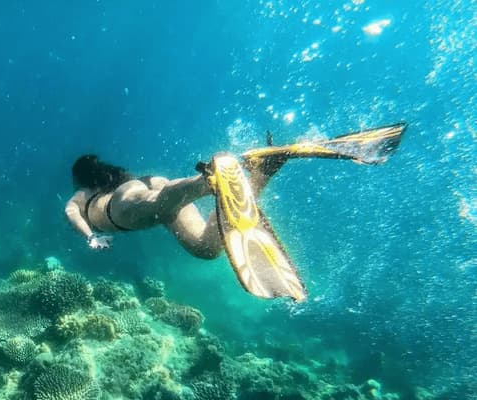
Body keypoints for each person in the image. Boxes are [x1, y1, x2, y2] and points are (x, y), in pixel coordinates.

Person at [65, 123, 407, 302]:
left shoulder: (85, 194)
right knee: (206, 247)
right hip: (149, 186)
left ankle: (207, 179)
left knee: (158, 205)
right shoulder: (117, 178)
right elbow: (154, 192)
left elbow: (71, 212)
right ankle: (263, 168)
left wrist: (91, 236)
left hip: (119, 210)